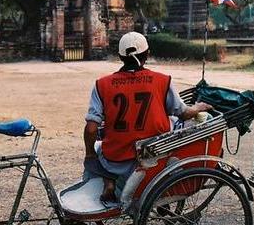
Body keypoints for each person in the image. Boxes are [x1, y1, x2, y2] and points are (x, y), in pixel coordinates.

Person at [83, 32, 213, 205]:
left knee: (99, 148)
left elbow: (91, 129)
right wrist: (198, 107)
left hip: (116, 159)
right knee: (174, 124)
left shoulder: (102, 84)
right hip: (153, 158)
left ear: (121, 56)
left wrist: (90, 154)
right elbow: (184, 113)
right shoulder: (162, 81)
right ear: (147, 54)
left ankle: (109, 181)